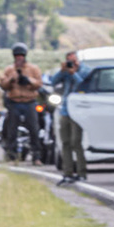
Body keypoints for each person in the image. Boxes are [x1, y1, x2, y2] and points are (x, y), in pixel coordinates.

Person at [0, 43, 44, 162]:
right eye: (17, 56)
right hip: (14, 102)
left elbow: (39, 83)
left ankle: (36, 155)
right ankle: (11, 155)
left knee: (34, 129)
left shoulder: (33, 69)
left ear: (25, 56)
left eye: (21, 56)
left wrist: (28, 80)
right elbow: (3, 84)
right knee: (11, 129)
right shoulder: (9, 70)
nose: (19, 58)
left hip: (29, 102)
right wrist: (11, 80)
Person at [47, 50, 86, 185]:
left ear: (78, 60)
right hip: (65, 109)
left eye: (73, 61)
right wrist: (62, 71)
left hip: (78, 109)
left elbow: (83, 84)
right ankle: (67, 172)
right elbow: (53, 81)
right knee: (65, 142)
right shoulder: (65, 72)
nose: (71, 63)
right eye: (69, 61)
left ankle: (81, 172)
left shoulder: (85, 70)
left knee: (76, 142)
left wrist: (73, 73)